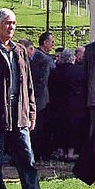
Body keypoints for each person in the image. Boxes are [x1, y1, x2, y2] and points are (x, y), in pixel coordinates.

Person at [0, 8, 60, 189]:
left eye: (13, 23)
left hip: (20, 116)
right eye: (7, 23)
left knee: (27, 163)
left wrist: (31, 111)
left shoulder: (20, 50)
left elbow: (28, 84)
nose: (11, 27)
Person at [47, 47, 88, 159]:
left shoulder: (54, 72)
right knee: (73, 129)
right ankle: (70, 153)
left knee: (59, 127)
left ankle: (60, 151)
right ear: (72, 58)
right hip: (75, 104)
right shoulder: (79, 71)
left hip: (57, 104)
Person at [30, 30, 56, 159]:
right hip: (42, 98)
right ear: (45, 43)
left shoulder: (37, 56)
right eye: (51, 42)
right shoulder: (44, 59)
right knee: (40, 127)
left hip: (37, 96)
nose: (53, 44)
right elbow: (43, 81)